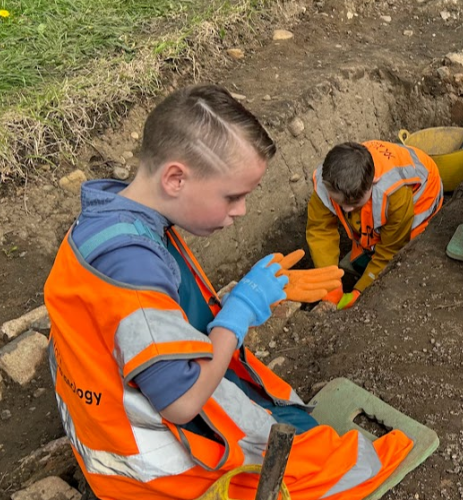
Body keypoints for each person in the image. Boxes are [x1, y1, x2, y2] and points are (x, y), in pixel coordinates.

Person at [44, 84, 413, 499]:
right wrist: (239, 310)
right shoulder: (132, 269)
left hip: (109, 416)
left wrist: (254, 294)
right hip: (148, 473)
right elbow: (181, 404)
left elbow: (156, 317)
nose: (241, 211)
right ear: (175, 178)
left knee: (282, 414)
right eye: (232, 196)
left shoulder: (115, 221)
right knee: (350, 466)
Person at [306, 140, 443, 310]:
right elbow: (321, 231)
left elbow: (390, 250)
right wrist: (330, 284)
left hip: (421, 199)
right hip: (380, 199)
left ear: (374, 180)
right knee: (361, 258)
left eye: (354, 202)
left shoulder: (395, 196)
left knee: (405, 263)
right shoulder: (327, 182)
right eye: (339, 201)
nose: (346, 208)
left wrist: (359, 292)